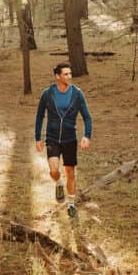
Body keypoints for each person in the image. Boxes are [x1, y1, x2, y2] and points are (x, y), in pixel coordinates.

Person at [35, 62, 92, 217]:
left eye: (70, 73)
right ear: (57, 76)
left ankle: (71, 204)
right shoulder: (47, 94)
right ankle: (59, 183)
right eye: (66, 74)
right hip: (52, 137)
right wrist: (37, 138)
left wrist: (87, 136)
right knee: (54, 170)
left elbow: (87, 117)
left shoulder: (77, 94)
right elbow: (40, 116)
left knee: (70, 172)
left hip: (69, 138)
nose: (69, 76)